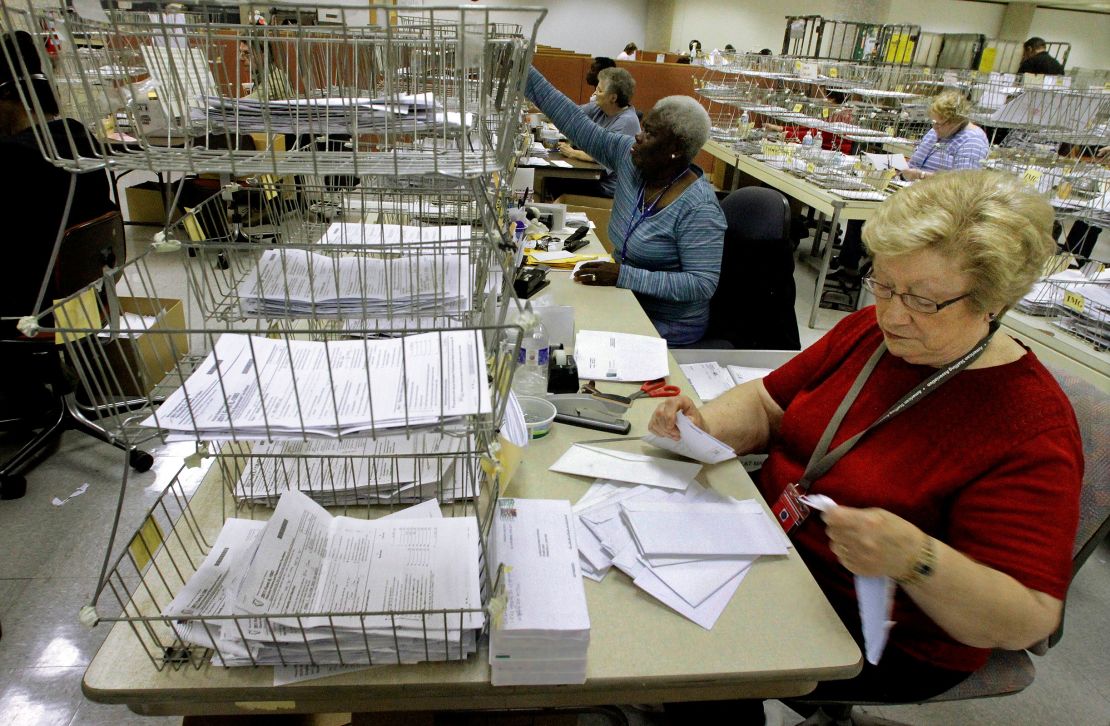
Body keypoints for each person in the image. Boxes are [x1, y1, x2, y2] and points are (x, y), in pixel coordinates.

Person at [651, 170, 1082, 719]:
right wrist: (704, 424)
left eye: (924, 300)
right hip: (771, 550)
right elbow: (766, 404)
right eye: (883, 284)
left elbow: (1028, 617)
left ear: (992, 300)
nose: (893, 314)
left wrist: (916, 560)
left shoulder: (1029, 426)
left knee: (693, 657)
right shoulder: (870, 336)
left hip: (884, 628)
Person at [524, 67, 725, 346]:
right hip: (623, 298)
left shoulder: (699, 207)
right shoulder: (629, 158)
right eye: (643, 128)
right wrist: (525, 73)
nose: (638, 137)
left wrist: (624, 275)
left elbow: (702, 283)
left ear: (675, 150)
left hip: (667, 325)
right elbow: (575, 122)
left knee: (574, 347)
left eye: (650, 134)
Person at [0, 30, 114, 330]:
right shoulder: (79, 137)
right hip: (86, 303)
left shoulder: (14, 157)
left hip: (28, 309)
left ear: (7, 97)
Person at [834, 91, 989, 275]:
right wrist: (888, 165)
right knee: (860, 202)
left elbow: (964, 185)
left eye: (940, 124)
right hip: (909, 189)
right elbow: (914, 162)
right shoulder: (935, 132)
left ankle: (877, 268)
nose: (935, 128)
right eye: (933, 122)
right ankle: (850, 265)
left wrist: (920, 175)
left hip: (937, 202)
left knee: (884, 217)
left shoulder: (972, 141)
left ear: (956, 122)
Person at [557, 67, 640, 197]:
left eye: (599, 90)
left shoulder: (626, 122)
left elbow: (602, 156)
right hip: (596, 178)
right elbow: (571, 113)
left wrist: (573, 153)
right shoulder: (599, 108)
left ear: (613, 98)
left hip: (609, 188)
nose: (595, 94)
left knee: (557, 184)